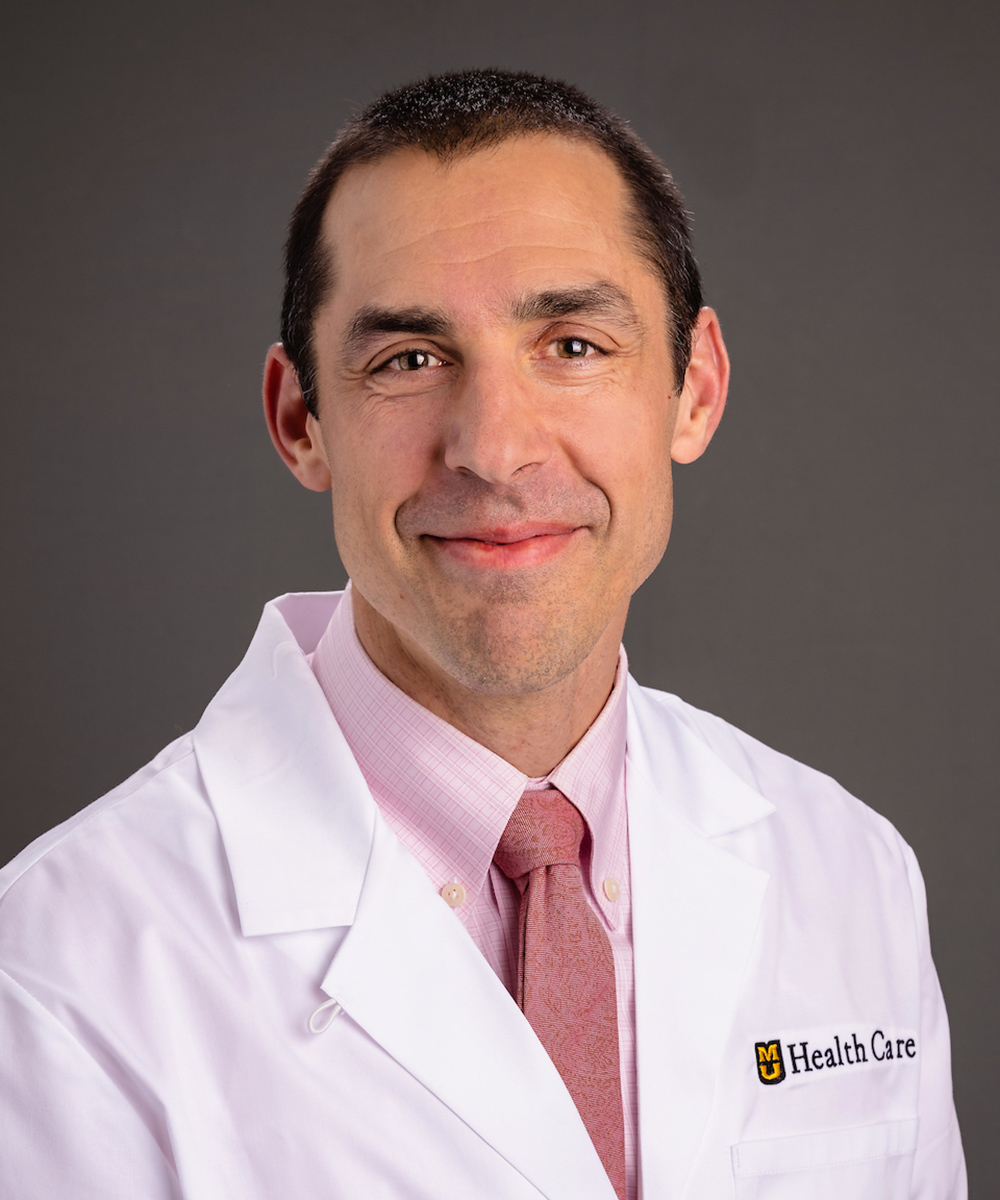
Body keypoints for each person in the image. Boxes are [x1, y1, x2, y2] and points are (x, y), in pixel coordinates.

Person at [0, 69, 965, 1199]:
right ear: (301, 421)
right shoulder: (58, 972)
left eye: (573, 346)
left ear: (694, 388)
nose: (495, 449)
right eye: (408, 360)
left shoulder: (849, 872)